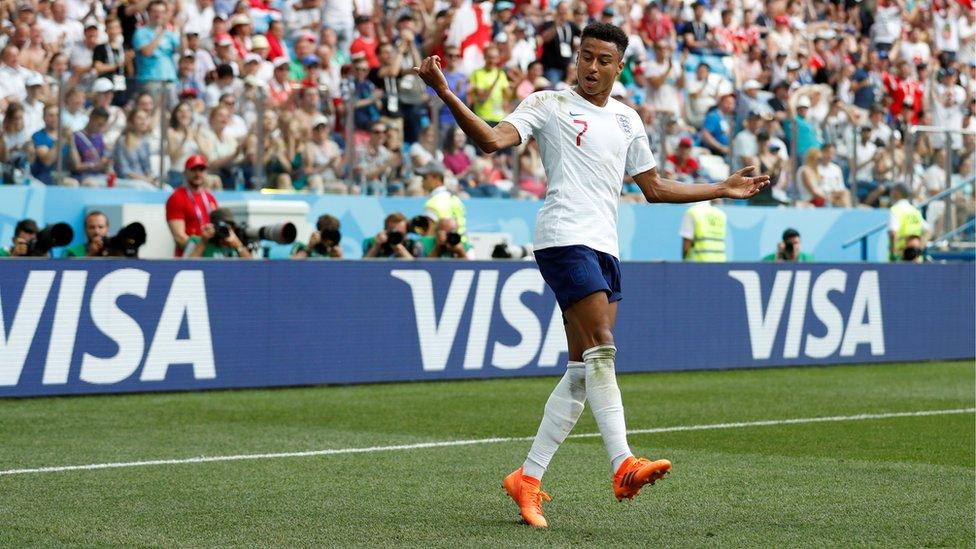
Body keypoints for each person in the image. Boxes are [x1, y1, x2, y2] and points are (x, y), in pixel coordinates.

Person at [414, 21, 768, 528]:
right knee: (602, 343)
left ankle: (527, 478)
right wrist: (446, 92)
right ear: (576, 58)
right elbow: (493, 141)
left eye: (604, 60)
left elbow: (655, 188)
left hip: (605, 246)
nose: (592, 67)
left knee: (583, 369)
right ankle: (623, 463)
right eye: (585, 56)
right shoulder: (548, 104)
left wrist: (721, 188)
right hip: (563, 238)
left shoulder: (627, 120)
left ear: (619, 66)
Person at [165, 155, 219, 257]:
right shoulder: (176, 198)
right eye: (193, 169)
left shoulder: (210, 198)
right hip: (188, 259)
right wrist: (202, 249)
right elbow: (179, 237)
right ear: (185, 173)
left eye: (201, 170)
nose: (198, 174)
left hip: (210, 257)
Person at [183, 207, 252, 258]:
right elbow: (186, 266)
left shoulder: (235, 243)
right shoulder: (196, 241)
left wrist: (238, 245)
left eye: (229, 226)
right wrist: (203, 242)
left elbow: (252, 267)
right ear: (212, 226)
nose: (224, 229)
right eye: (221, 227)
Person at [888, 183, 930, 262]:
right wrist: (919, 250)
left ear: (897, 192)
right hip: (916, 259)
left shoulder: (895, 210)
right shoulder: (914, 210)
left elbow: (893, 233)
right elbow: (927, 230)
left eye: (893, 191)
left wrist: (894, 255)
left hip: (900, 258)